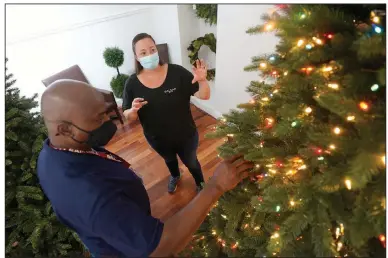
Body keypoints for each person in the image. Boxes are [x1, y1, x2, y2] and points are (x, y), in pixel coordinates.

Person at [37, 80, 253, 258]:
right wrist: (215, 187)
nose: (108, 122)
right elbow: (158, 248)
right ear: (63, 129)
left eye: (105, 114)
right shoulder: (91, 196)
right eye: (98, 119)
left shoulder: (52, 153)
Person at [122, 33, 211, 194]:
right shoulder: (132, 83)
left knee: (191, 162)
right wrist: (133, 110)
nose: (149, 54)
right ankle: (175, 175)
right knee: (169, 160)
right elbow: (128, 115)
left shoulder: (177, 72)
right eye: (143, 53)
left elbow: (204, 96)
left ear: (157, 50)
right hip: (157, 139)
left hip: (186, 135)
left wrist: (203, 80)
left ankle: (200, 183)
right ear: (136, 57)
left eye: (152, 49)